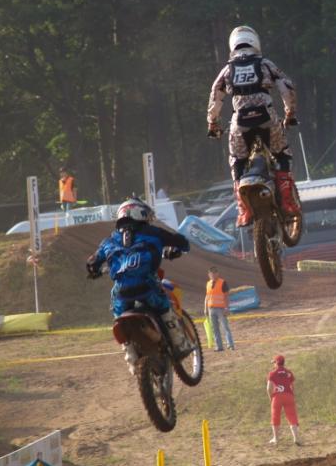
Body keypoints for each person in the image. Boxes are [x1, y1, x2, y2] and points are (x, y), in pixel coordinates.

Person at [207, 25, 300, 228]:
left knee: (237, 161)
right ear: (255, 42)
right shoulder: (265, 64)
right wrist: (290, 113)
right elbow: (287, 87)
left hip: (240, 123)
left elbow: (215, 96)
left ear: (233, 45)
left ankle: (243, 210)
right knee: (282, 154)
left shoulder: (227, 70)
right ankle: (287, 201)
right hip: (267, 118)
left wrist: (212, 123)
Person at [86, 198, 192, 374]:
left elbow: (92, 262)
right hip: (147, 286)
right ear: (140, 213)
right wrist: (177, 249)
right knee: (164, 306)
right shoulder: (153, 232)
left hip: (122, 293)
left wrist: (94, 271)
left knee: (118, 314)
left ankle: (130, 354)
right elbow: (181, 241)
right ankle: (179, 343)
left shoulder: (109, 241)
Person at [267, 354, 301, 445]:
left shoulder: (272, 373)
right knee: (292, 417)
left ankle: (276, 439)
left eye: (274, 362)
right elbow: (292, 386)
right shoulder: (289, 372)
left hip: (277, 397)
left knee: (275, 417)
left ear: (276, 363)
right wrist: (292, 396)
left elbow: (268, 388)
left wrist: (271, 398)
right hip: (288, 396)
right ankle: (296, 438)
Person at [205, 267, 235, 351]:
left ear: (217, 273)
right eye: (211, 273)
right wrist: (205, 308)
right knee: (215, 329)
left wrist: (226, 308)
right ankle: (219, 346)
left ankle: (230, 345)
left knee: (225, 327)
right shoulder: (208, 283)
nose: (213, 275)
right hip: (211, 309)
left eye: (215, 273)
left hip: (221, 308)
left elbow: (226, 296)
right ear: (209, 275)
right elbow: (207, 297)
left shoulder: (222, 282)